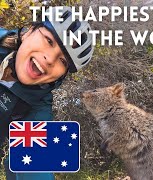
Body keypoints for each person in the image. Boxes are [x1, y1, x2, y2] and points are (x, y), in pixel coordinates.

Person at [0, 6, 94, 180]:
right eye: (49, 41)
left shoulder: (37, 107)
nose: (50, 59)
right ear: (28, 32)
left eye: (62, 61)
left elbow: (36, 169)